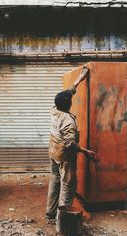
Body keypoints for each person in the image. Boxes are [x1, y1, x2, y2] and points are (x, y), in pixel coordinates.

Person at [46, 67, 96, 224]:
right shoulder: (67, 120)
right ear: (69, 104)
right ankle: (63, 221)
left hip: (53, 152)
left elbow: (67, 93)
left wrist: (79, 79)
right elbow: (70, 144)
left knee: (54, 181)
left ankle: (50, 214)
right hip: (64, 156)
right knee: (67, 186)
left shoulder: (55, 109)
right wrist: (85, 151)